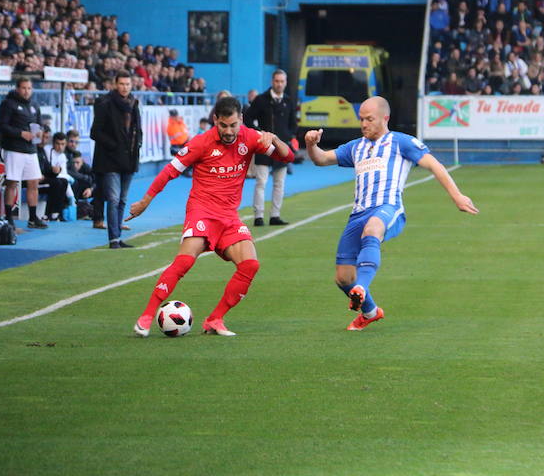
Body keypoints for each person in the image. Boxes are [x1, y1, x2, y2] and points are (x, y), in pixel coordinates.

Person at [305, 96, 478, 331]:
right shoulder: (356, 146)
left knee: (373, 229)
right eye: (361, 120)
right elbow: (321, 159)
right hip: (357, 214)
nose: (364, 124)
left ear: (385, 118)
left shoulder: (400, 142)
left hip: (388, 208)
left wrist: (456, 195)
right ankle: (370, 311)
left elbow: (434, 164)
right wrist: (310, 144)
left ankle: (362, 287)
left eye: (369, 119)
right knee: (343, 278)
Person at [127, 96, 295, 337]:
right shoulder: (201, 142)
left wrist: (275, 139)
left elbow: (287, 157)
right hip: (202, 212)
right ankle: (146, 316)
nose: (228, 131)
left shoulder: (250, 137)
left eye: (233, 125)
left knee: (250, 264)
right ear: (215, 120)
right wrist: (145, 201)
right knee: (185, 261)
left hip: (229, 217)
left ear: (241, 120)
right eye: (223, 125)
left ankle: (215, 319)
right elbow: (169, 171)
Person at [90, 70, 142, 249]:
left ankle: (118, 236)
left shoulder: (134, 103)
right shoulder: (105, 103)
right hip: (110, 159)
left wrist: (137, 147)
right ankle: (113, 239)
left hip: (129, 159)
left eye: (127, 84)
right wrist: (114, 145)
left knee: (122, 199)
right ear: (115, 84)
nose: (125, 87)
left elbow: (137, 129)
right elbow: (95, 132)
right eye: (121, 84)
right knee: (113, 198)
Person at [244, 69, 296, 226]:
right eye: (277, 81)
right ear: (272, 82)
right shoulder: (260, 100)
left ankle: (275, 215)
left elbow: (293, 124)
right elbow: (247, 117)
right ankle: (258, 216)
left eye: (282, 81)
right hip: (263, 147)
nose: (279, 84)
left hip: (282, 148)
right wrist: (258, 134)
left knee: (279, 183)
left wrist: (287, 137)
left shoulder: (288, 101)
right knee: (261, 182)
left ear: (285, 83)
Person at [0, 77, 46, 229]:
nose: (26, 91)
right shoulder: (8, 104)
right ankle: (9, 217)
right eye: (24, 88)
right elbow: (1, 125)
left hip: (31, 150)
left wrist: (40, 133)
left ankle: (33, 217)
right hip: (14, 149)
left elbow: (39, 124)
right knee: (12, 182)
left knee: (33, 182)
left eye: (29, 88)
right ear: (18, 88)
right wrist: (20, 134)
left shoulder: (34, 105)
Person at [38, 130, 72, 221]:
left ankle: (55, 213)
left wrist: (57, 170)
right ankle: (48, 214)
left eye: (62, 144)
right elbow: (45, 168)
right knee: (57, 183)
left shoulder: (63, 156)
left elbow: (63, 174)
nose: (60, 147)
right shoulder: (47, 150)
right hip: (41, 178)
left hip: (51, 177)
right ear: (53, 143)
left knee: (63, 182)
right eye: (58, 144)